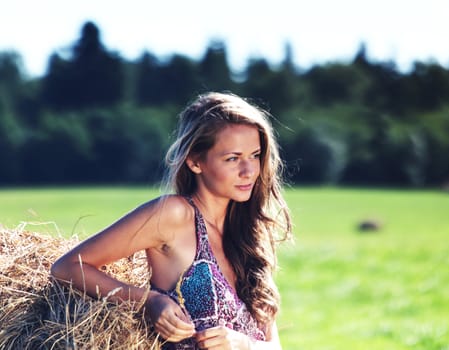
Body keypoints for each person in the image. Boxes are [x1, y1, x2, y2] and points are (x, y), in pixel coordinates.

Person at [51, 92, 292, 349]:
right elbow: (68, 267)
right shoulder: (173, 215)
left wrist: (243, 344)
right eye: (232, 158)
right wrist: (148, 301)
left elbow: (273, 345)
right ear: (194, 162)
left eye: (254, 155)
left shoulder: (249, 235)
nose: (249, 171)